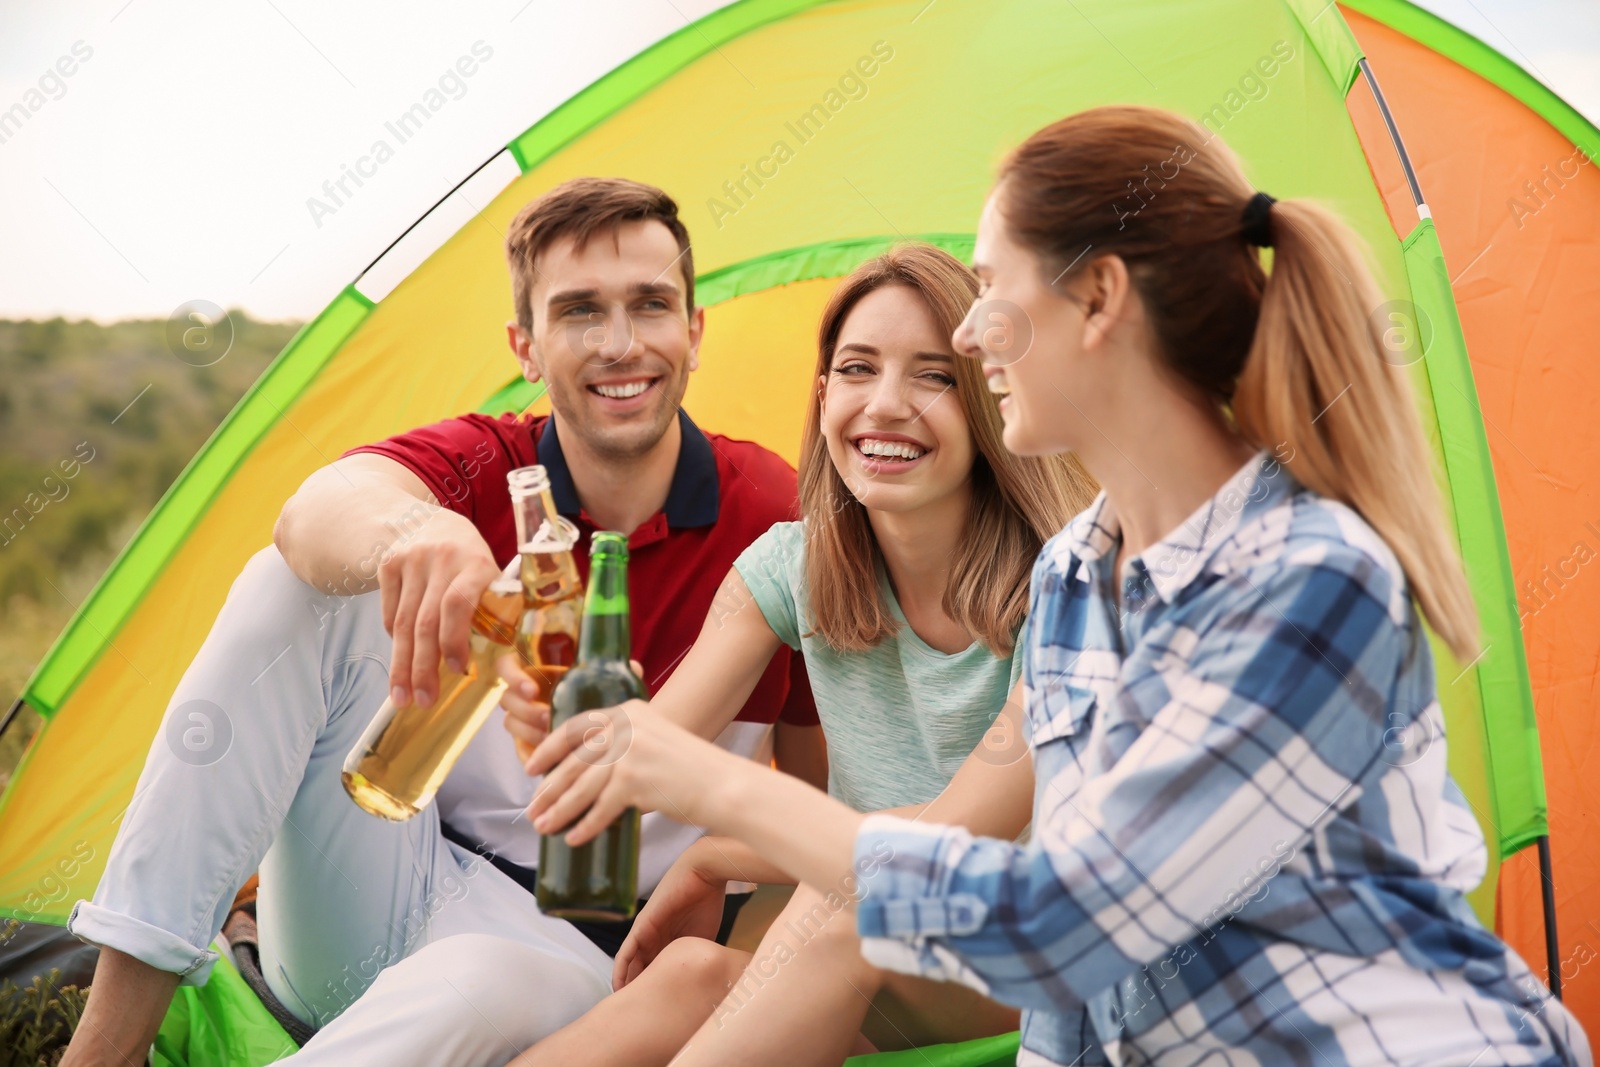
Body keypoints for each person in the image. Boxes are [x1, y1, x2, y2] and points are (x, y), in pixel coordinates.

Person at [524, 107, 1593, 1065]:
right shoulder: (1079, 572)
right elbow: (1055, 961)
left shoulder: (1313, 583)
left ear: (1096, 300)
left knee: (843, 913)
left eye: (991, 288)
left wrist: (720, 792)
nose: (972, 326)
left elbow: (1062, 923)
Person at [60, 177, 823, 1067]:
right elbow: (313, 510)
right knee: (291, 583)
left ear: (692, 333)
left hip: (582, 953)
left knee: (479, 981)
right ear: (526, 346)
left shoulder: (768, 514)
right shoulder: (486, 464)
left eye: (649, 305)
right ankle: (103, 1049)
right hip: (391, 882)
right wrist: (420, 532)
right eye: (579, 312)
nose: (620, 344)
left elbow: (824, 793)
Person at [489, 243, 1096, 1066]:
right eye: (857, 368)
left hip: (1037, 954)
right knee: (692, 972)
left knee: (845, 904)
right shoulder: (790, 567)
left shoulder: (1071, 587)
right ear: (823, 394)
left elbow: (946, 852)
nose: (886, 405)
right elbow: (631, 764)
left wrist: (719, 853)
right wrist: (561, 716)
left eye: (934, 376)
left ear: (991, 397)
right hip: (876, 941)